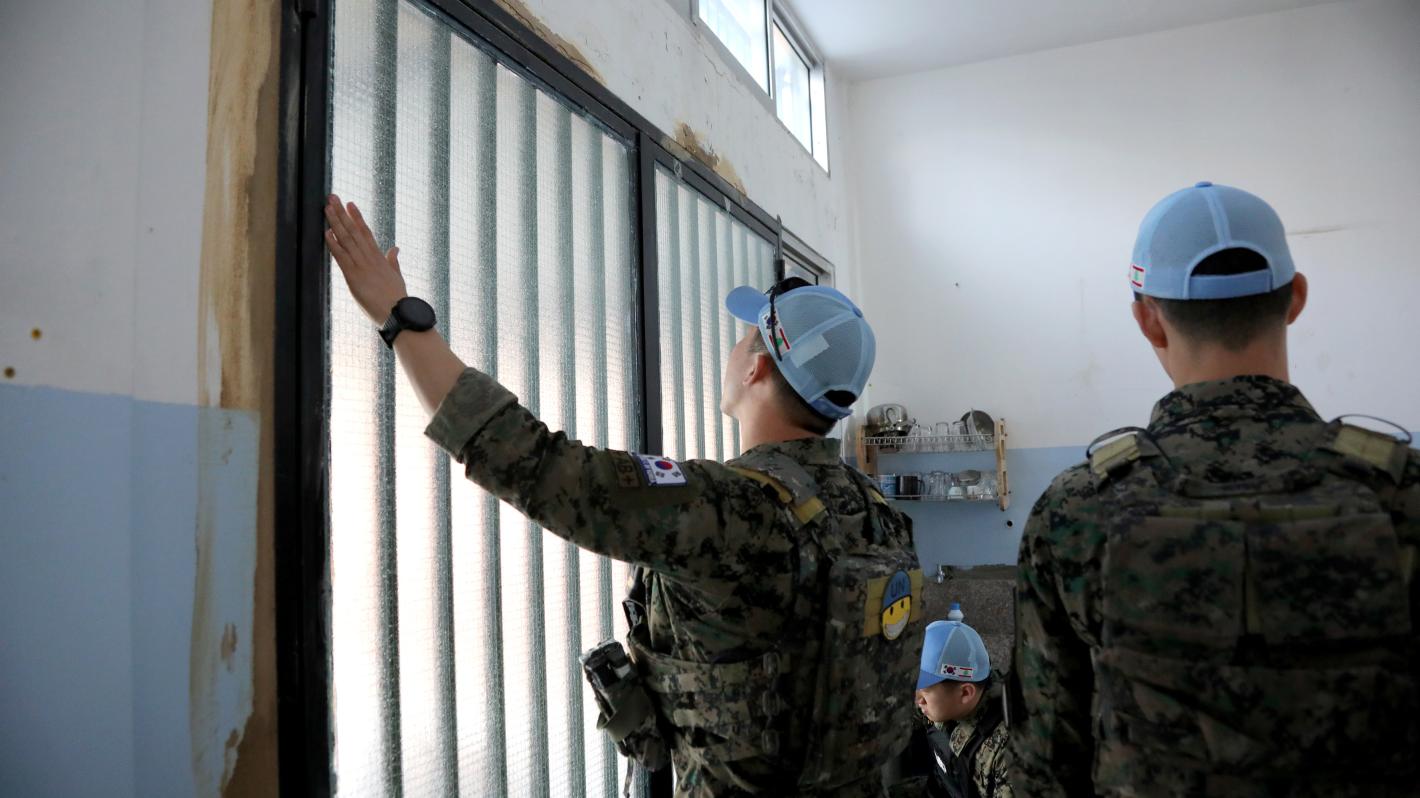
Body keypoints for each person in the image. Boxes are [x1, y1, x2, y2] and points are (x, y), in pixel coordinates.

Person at [323, 194, 927, 797]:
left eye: (744, 339)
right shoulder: (877, 515)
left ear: (755, 369)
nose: (733, 351)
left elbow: (534, 463)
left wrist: (398, 316)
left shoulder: (733, 511)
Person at [1011, 181, 1420, 796]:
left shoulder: (1076, 511)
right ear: (1295, 299)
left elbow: (1047, 764)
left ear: (1148, 319)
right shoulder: (1402, 493)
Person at [912, 607, 1012, 798]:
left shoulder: (1006, 751)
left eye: (923, 692)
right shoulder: (943, 701)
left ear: (965, 693)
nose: (917, 701)